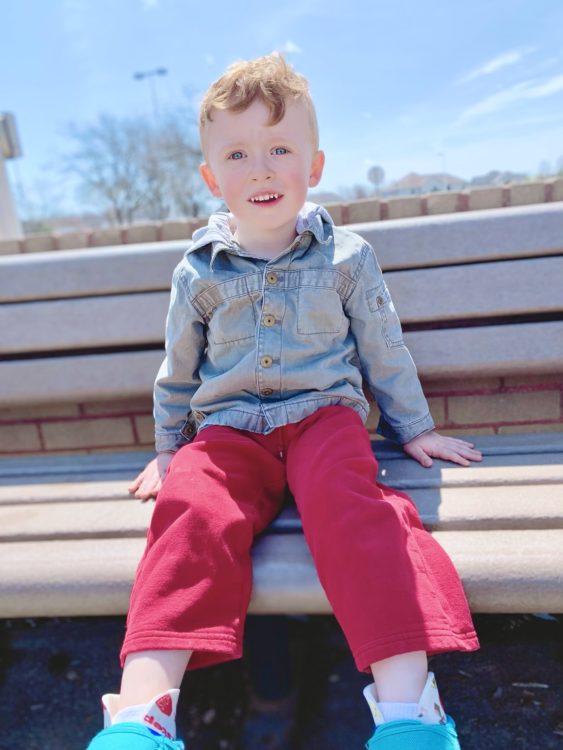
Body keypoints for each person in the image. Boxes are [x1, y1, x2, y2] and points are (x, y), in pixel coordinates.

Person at [87, 52, 482, 750]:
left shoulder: (346, 258)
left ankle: (407, 718)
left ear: (314, 166)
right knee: (190, 513)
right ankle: (139, 721)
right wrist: (168, 453)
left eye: (279, 149)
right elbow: (177, 372)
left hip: (323, 419)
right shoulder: (197, 271)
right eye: (237, 154)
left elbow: (381, 348)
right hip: (229, 431)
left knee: (352, 508)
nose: (261, 168)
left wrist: (413, 428)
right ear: (212, 178)